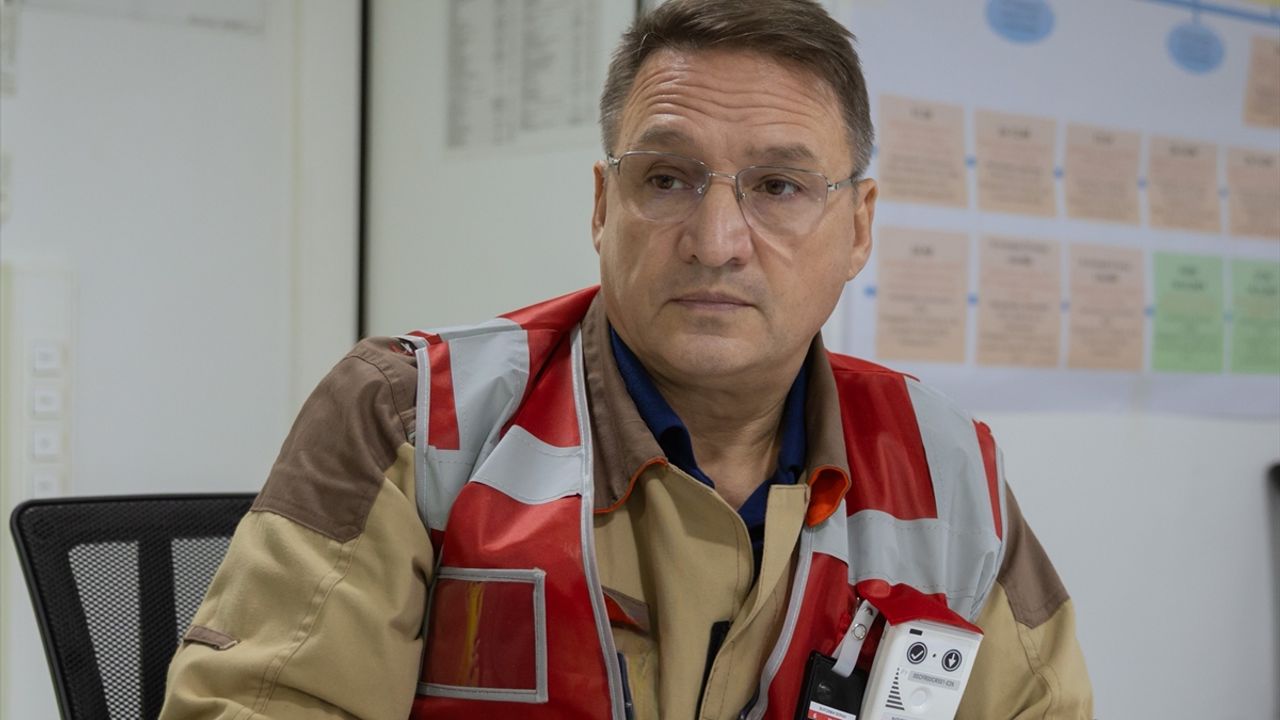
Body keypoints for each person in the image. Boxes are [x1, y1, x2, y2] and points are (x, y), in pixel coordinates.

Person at [161, 1, 1093, 718]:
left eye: (778, 186)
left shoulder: (947, 466)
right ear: (604, 208)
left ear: (858, 227)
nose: (717, 241)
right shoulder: (412, 419)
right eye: (667, 178)